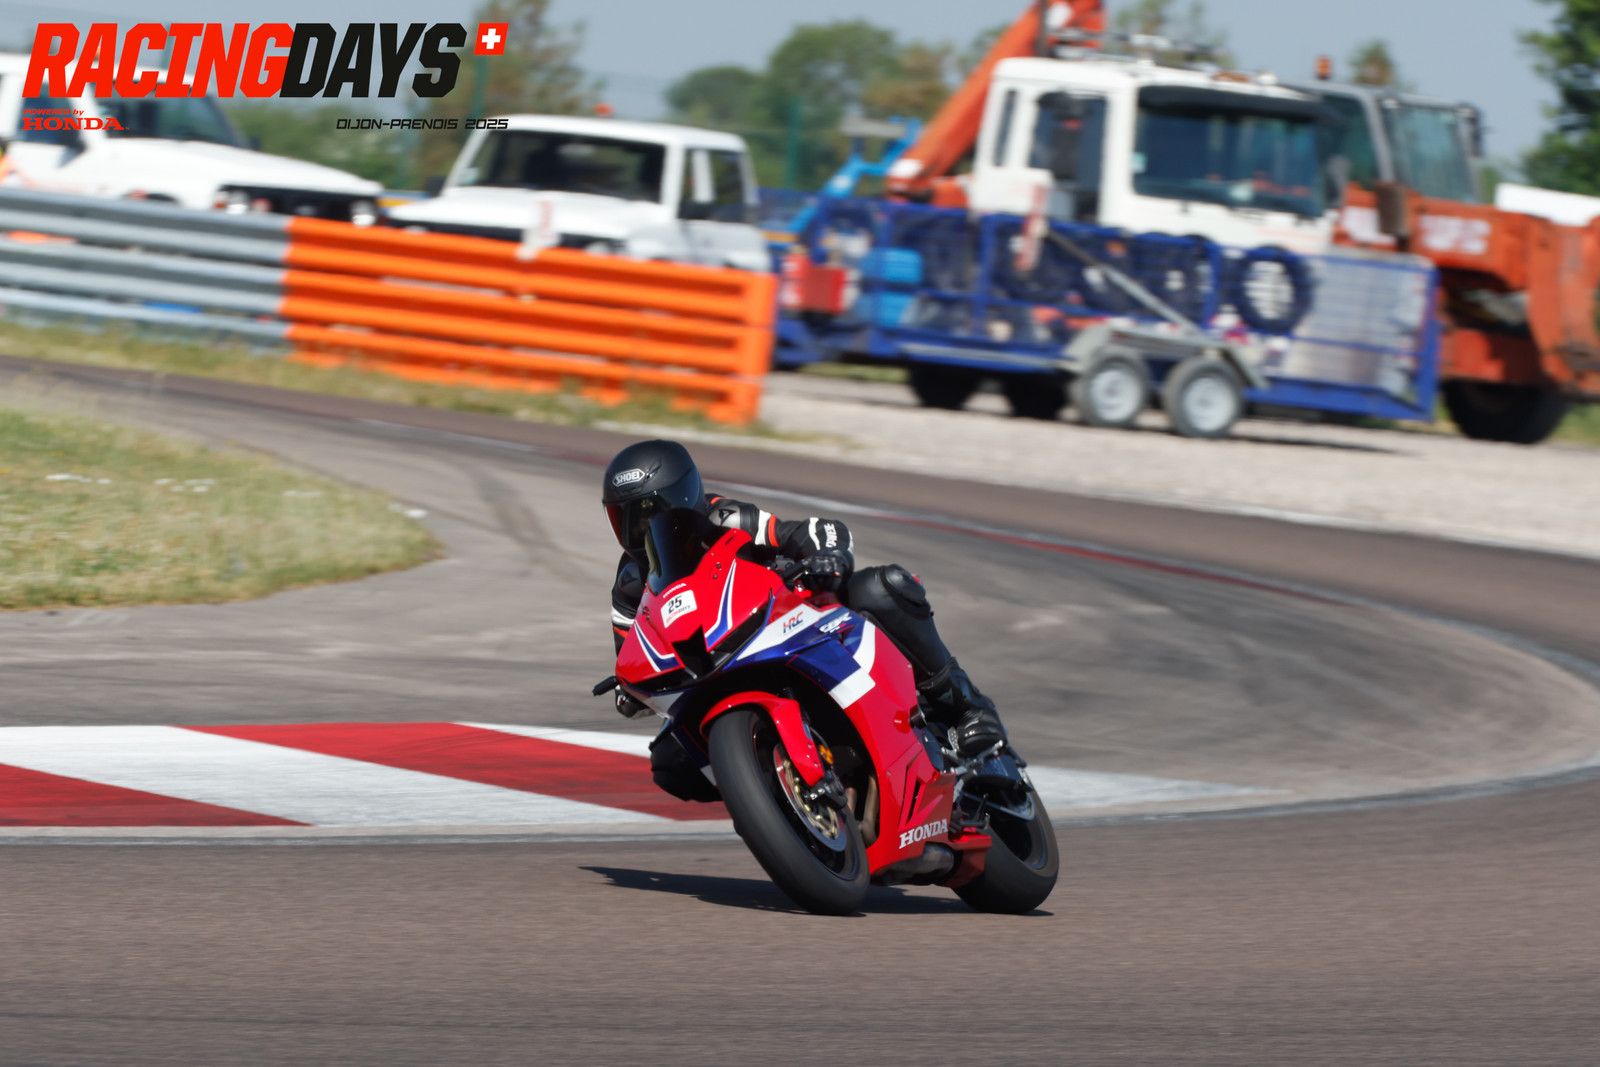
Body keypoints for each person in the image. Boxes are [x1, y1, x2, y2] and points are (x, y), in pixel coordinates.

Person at [601, 439, 1008, 779]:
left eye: (649, 514)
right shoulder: (630, 584)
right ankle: (769, 787)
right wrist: (630, 691)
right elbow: (631, 654)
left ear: (684, 496)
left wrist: (827, 557)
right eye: (626, 520)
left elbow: (810, 532)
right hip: (713, 667)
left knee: (880, 588)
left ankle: (967, 708)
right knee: (669, 761)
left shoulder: (725, 516)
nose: (639, 532)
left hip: (783, 621)